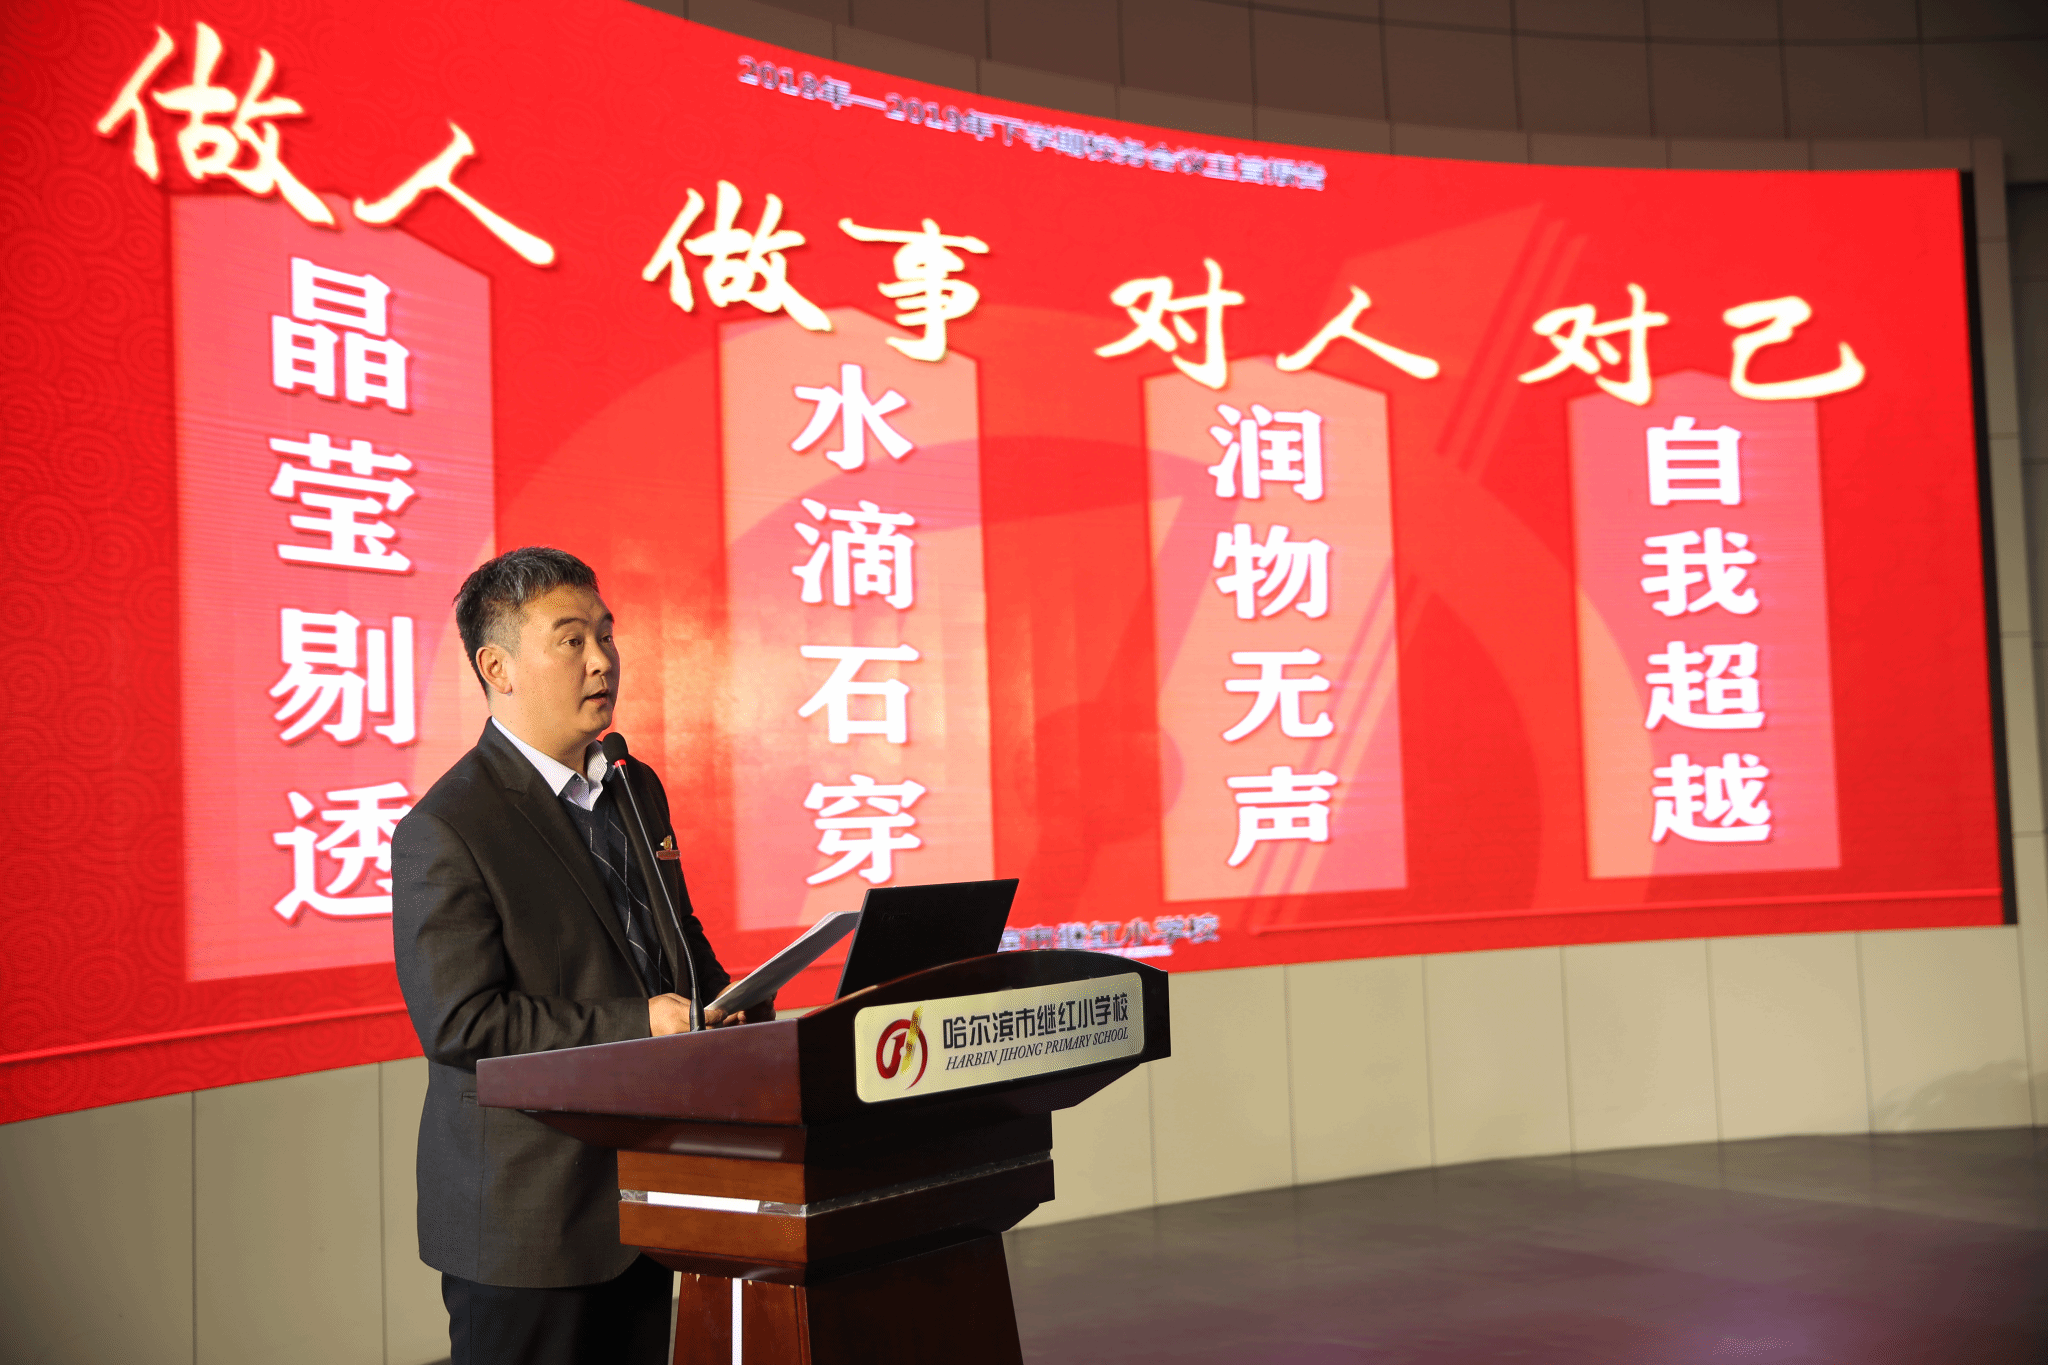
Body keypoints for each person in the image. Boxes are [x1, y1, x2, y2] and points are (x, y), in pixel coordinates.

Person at [392, 546, 768, 1365]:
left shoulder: (634, 784)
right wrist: (642, 1022)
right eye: (571, 640)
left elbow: (674, 936)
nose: (602, 659)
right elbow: (462, 1024)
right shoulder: (448, 827)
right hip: (528, 1218)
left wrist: (733, 1001)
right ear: (497, 667)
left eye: (606, 634)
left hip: (643, 1196)